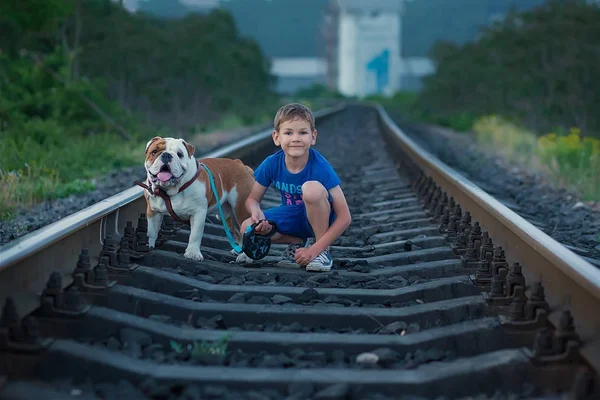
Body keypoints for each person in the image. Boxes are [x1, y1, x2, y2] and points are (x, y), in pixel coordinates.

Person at [235, 103, 352, 271]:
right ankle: (297, 243)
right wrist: (257, 214)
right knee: (247, 227)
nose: (295, 138)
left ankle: (322, 251)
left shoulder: (320, 167)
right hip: (293, 218)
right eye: (288, 133)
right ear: (276, 137)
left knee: (311, 189)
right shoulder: (272, 163)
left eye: (302, 132)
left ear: (313, 136)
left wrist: (315, 250)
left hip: (321, 217)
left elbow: (344, 217)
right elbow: (253, 199)